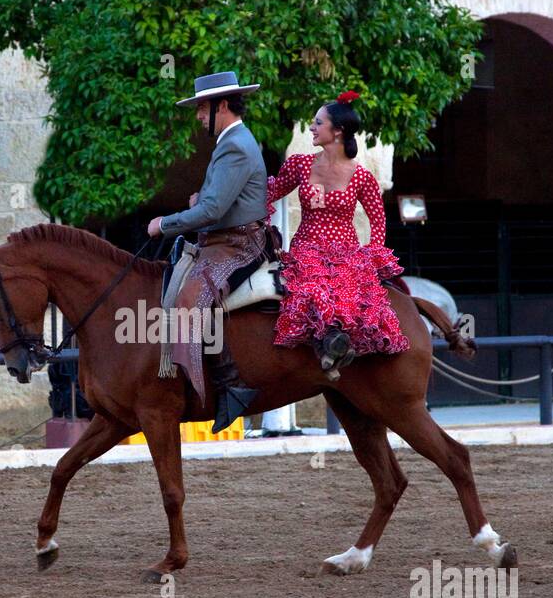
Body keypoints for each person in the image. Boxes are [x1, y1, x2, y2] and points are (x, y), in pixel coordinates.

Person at [147, 71, 268, 432]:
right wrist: (203, 200)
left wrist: (164, 224)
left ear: (223, 106)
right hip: (222, 238)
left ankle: (232, 385)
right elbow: (217, 200)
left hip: (238, 243)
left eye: (203, 108)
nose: (199, 116)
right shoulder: (231, 141)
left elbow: (213, 212)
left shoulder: (235, 144)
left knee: (191, 297)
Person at [264, 91, 409, 375]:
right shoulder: (300, 164)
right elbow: (270, 193)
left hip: (347, 254)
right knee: (310, 291)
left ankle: (342, 353)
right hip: (306, 251)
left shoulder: (362, 177)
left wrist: (373, 256)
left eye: (318, 123)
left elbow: (378, 220)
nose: (311, 128)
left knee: (355, 300)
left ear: (338, 131)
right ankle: (323, 353)